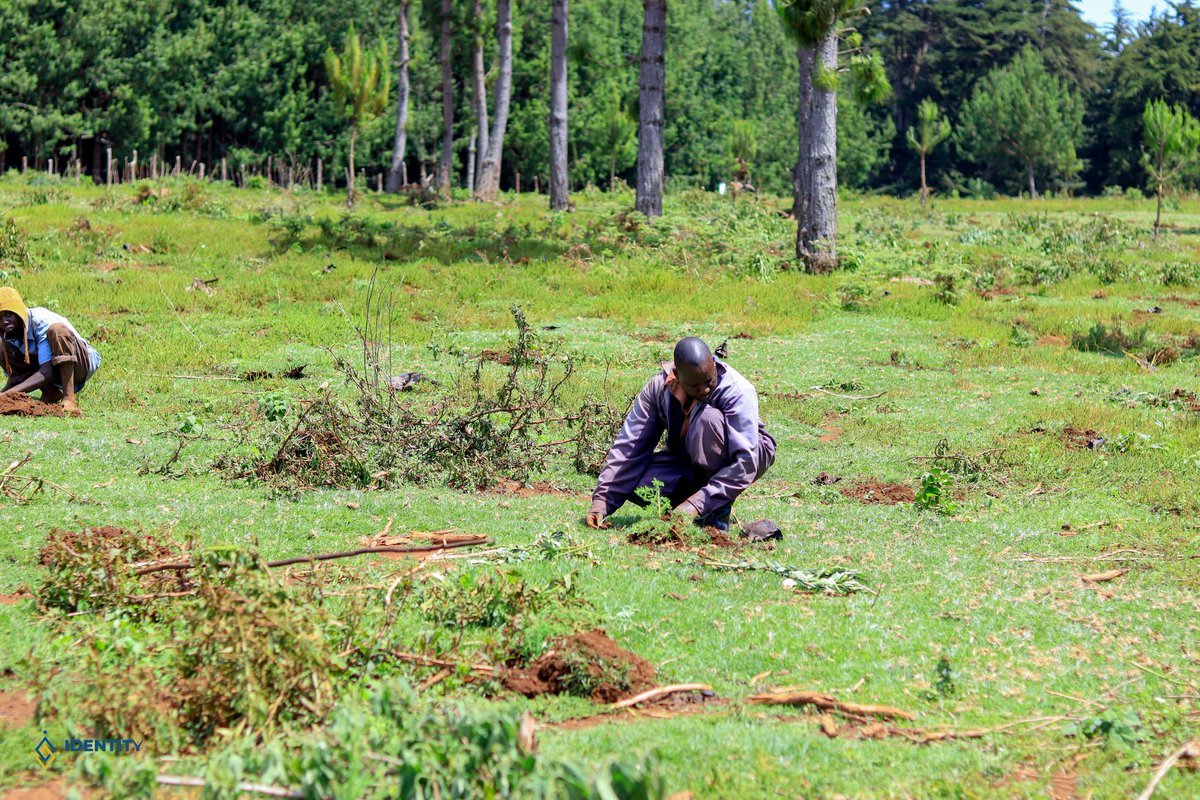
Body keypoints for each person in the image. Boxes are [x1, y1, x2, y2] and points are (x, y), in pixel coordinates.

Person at [587, 336, 775, 532]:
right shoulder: (658, 388)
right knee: (636, 480)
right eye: (694, 385)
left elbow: (746, 461)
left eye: (709, 380)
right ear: (677, 375)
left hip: (750, 456)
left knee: (707, 419)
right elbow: (629, 447)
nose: (705, 389)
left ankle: (715, 512)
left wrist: (696, 504)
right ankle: (692, 509)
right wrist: (601, 502)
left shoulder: (738, 390)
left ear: (714, 363)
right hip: (689, 462)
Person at [0, 288, 101, 416]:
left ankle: (69, 399)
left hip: (81, 363)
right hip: (52, 366)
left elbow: (47, 372)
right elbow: (15, 376)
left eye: (9, 314)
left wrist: (8, 394)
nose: (4, 321)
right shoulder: (9, 331)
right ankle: (50, 392)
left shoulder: (40, 320)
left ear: (19, 311)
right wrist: (4, 394)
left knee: (58, 330)